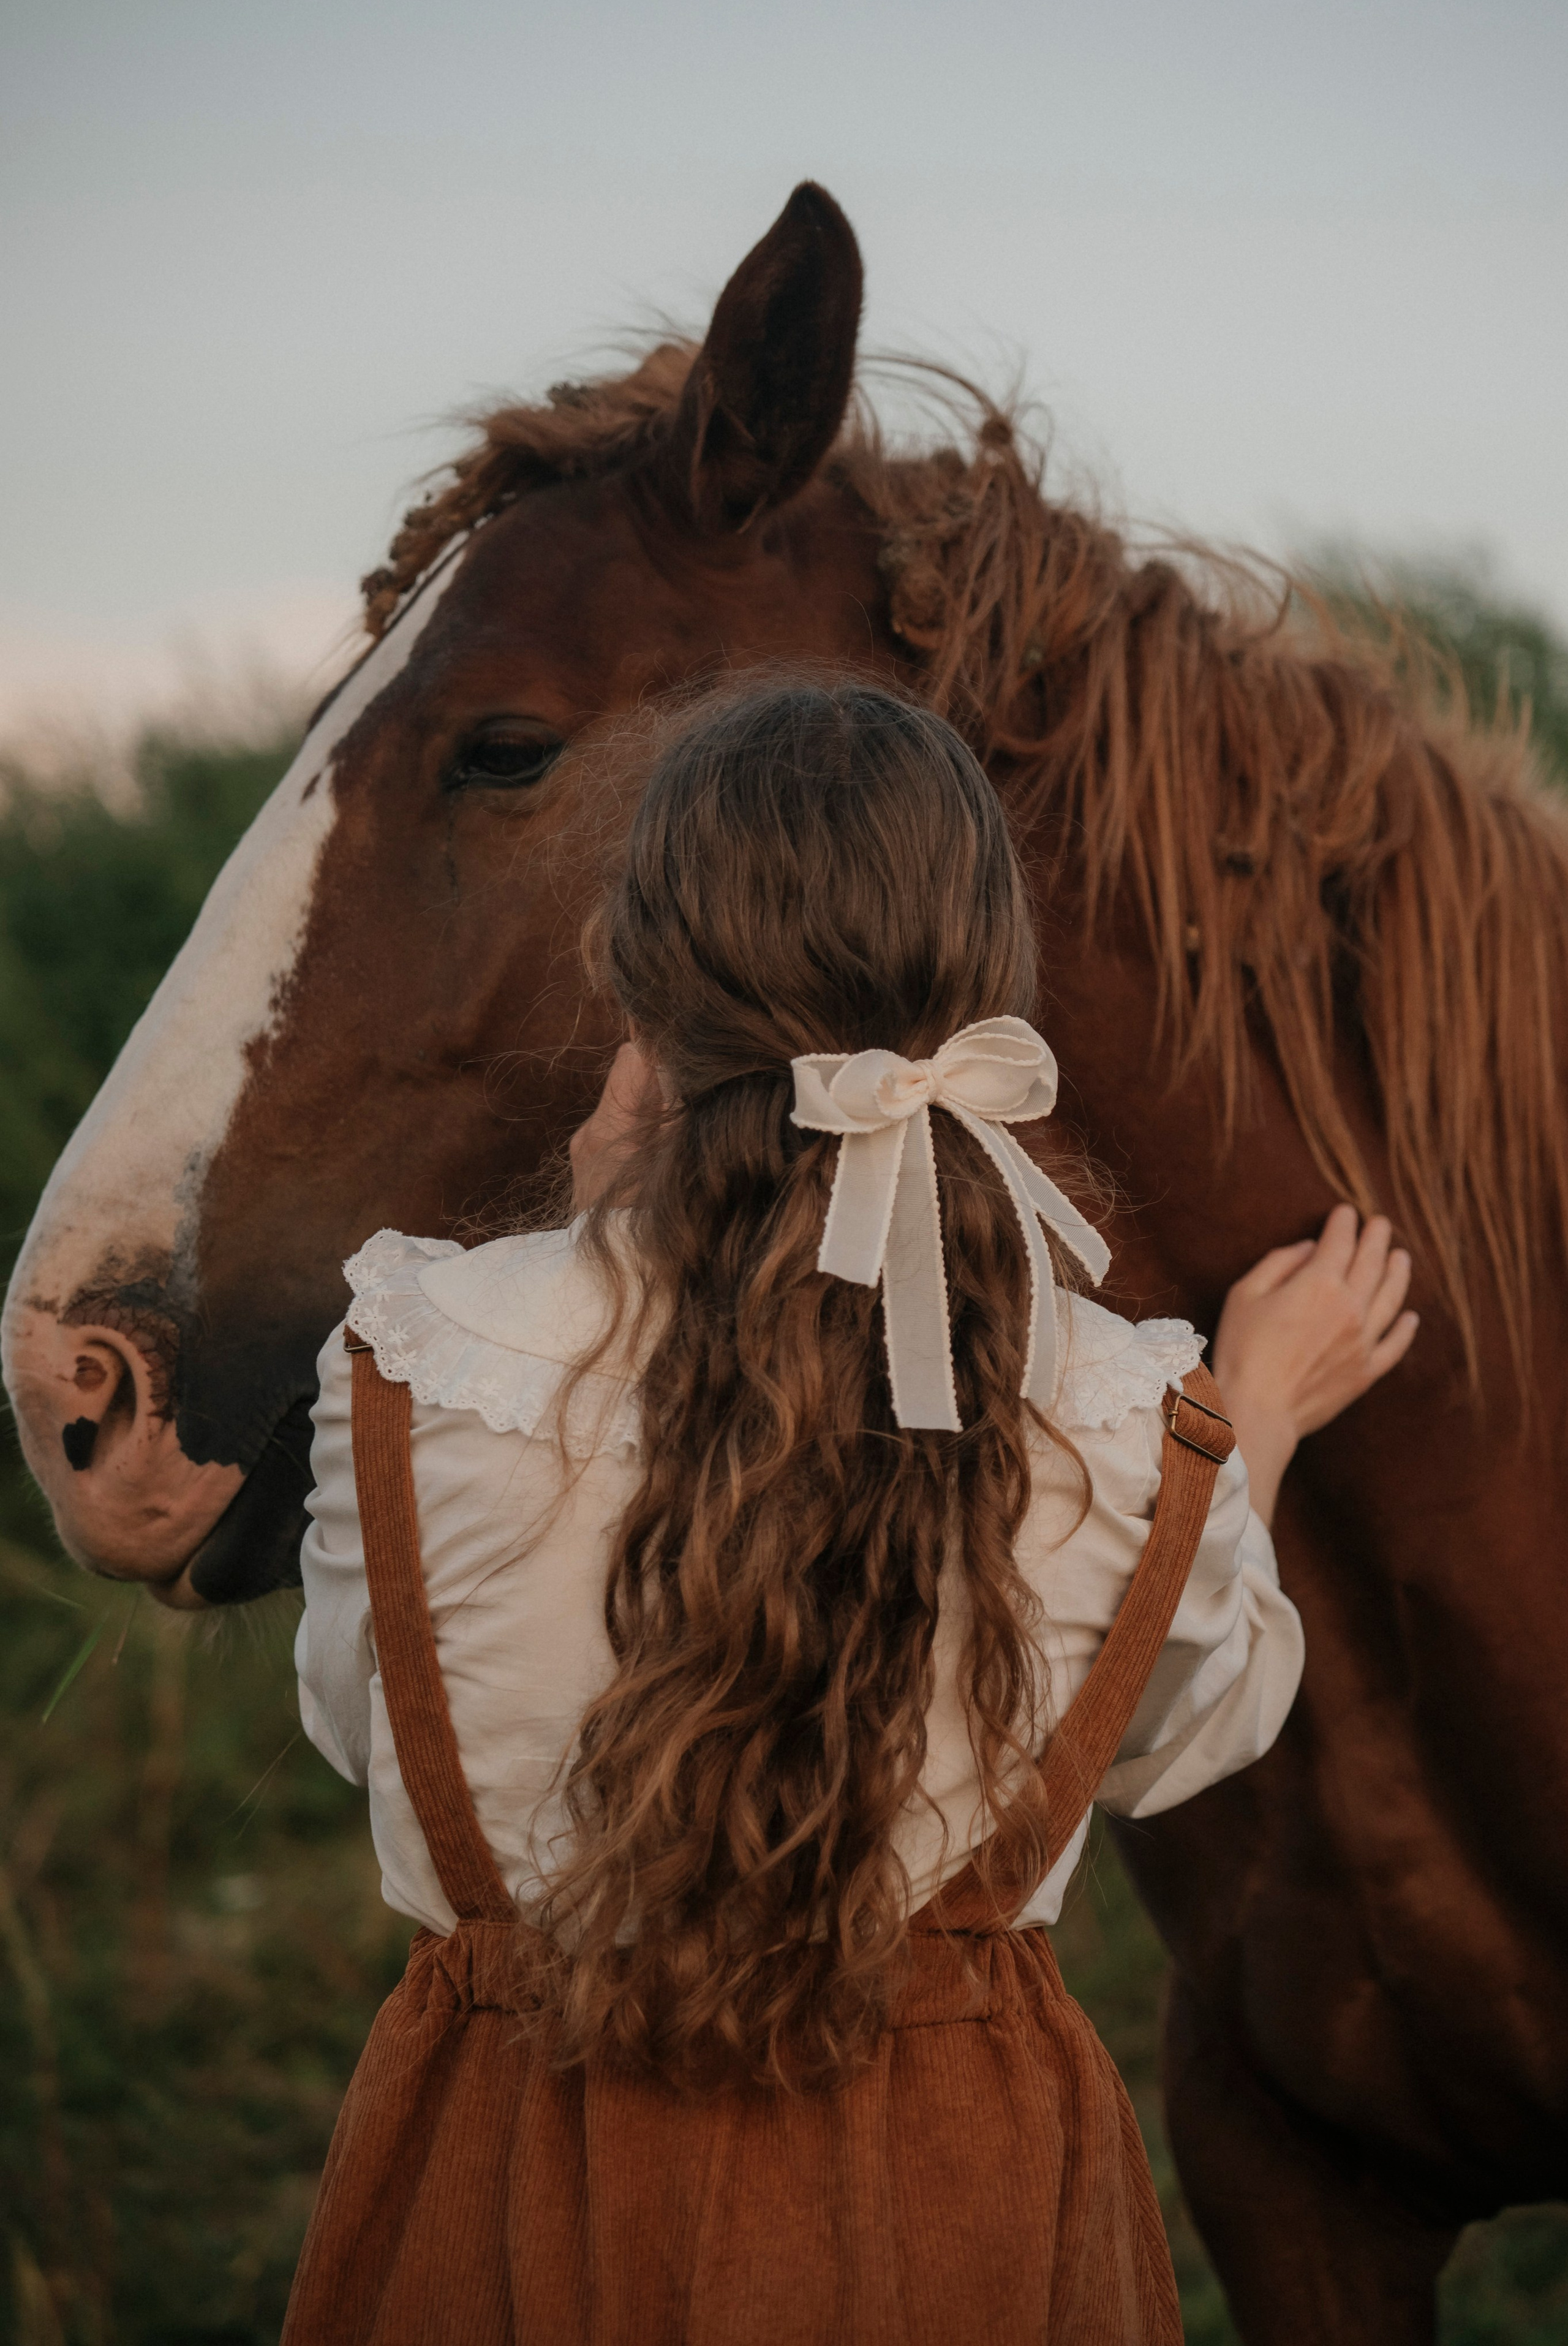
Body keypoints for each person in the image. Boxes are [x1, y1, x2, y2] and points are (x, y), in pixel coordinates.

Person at [282, 681, 1417, 2345]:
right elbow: (1186, 1733)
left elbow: (365, 1723)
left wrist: (584, 1238)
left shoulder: (410, 1362)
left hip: (515, 2176)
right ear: (986, 999)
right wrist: (1245, 1426)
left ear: (623, 966)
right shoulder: (1128, 1416)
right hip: (963, 2191)